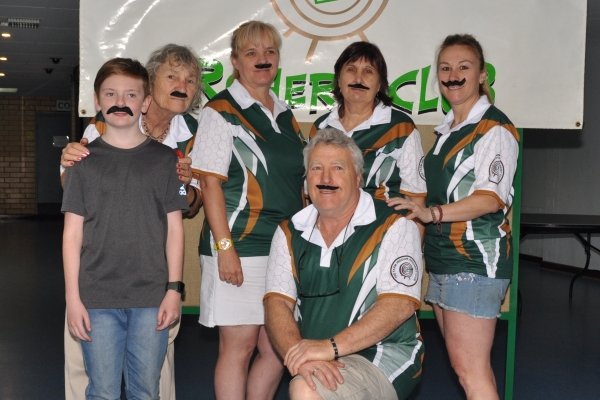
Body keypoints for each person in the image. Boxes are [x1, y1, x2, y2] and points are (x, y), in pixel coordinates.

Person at [61, 43, 202, 400]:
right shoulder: (81, 163)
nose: (120, 102)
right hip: (96, 297)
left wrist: (174, 290)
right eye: (110, 94)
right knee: (103, 391)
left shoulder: (166, 161)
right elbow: (72, 235)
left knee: (146, 391)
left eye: (131, 94)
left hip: (151, 298)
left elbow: (175, 230)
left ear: (145, 102)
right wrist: (73, 298)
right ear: (97, 101)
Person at [387, 34, 520, 399]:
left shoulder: (494, 129)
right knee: (467, 371)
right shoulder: (448, 129)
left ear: (482, 74)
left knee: (471, 373)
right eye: (445, 68)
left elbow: (490, 198)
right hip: (445, 260)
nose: (453, 75)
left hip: (475, 261)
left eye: (464, 66)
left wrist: (432, 213)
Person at [188, 21, 305, 399]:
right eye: (251, 53)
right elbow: (209, 185)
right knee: (239, 348)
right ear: (236, 61)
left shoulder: (285, 114)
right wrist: (225, 248)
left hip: (283, 251)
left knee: (277, 348)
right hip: (239, 245)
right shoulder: (220, 111)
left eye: (270, 52)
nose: (262, 59)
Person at [264, 128, 424, 400]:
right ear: (306, 180)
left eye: (338, 168)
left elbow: (399, 305)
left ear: (358, 177)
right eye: (316, 168)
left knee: (306, 389)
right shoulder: (288, 232)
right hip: (318, 353)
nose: (326, 178)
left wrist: (329, 348)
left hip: (383, 354)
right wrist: (299, 355)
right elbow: (277, 304)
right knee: (308, 379)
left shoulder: (394, 225)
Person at [309, 41, 426, 207]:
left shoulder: (401, 128)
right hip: (330, 221)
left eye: (368, 71)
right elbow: (311, 192)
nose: (358, 78)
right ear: (339, 80)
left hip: (382, 221)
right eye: (351, 69)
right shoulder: (320, 128)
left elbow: (416, 201)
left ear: (379, 84)